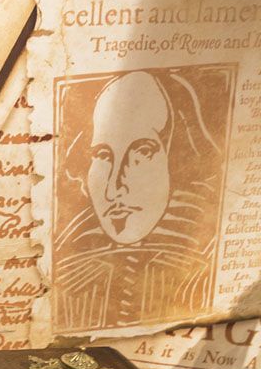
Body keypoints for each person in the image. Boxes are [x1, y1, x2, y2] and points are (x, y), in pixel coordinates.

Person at [53, 70, 224, 332]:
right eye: (102, 155)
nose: (114, 189)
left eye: (142, 152)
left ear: (178, 159)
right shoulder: (69, 278)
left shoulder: (201, 275)